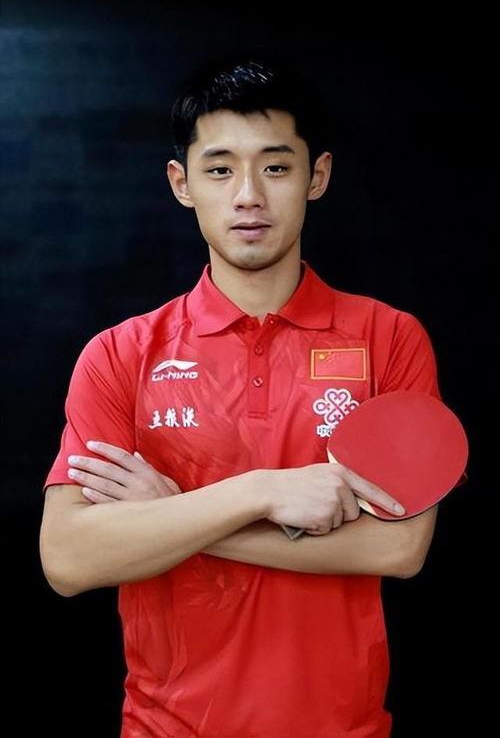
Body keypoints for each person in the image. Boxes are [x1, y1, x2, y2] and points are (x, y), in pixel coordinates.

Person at [40, 52, 444, 738]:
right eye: (220, 169)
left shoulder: (389, 338)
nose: (248, 195)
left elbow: (398, 548)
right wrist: (259, 492)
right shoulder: (119, 354)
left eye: (276, 167)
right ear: (182, 183)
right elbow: (70, 559)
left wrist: (171, 516)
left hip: (341, 728)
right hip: (167, 727)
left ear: (317, 176)